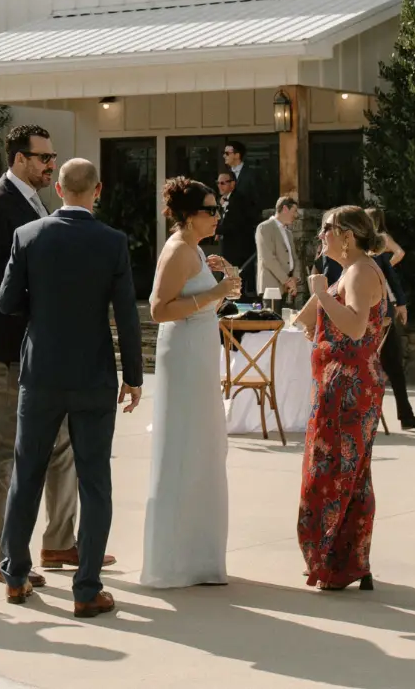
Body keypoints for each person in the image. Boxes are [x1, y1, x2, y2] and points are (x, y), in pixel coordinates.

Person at [0, 157, 142, 618]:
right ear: (97, 191)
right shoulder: (112, 242)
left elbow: (5, 302)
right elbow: (127, 314)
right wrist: (134, 375)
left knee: (27, 474)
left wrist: (43, 308)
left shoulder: (28, 235)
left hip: (41, 372)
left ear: (58, 189)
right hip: (93, 375)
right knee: (95, 481)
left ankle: (15, 576)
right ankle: (87, 589)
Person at [0, 125, 82, 586]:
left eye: (52, 157)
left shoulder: (36, 201)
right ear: (19, 159)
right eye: (44, 157)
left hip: (45, 345)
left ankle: (58, 542)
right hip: (11, 346)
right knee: (6, 450)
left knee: (62, 442)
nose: (52, 164)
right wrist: (48, 305)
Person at [140, 177, 237, 589]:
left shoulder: (196, 249)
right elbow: (158, 309)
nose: (217, 216)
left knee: (204, 447)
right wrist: (215, 292)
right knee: (185, 446)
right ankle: (175, 560)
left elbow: (205, 302)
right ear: (188, 214)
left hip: (199, 352)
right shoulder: (179, 249)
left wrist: (224, 284)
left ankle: (199, 555)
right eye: (210, 210)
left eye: (217, 210)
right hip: (183, 355)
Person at [297, 204, 392, 592]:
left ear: (347, 236)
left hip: (347, 388)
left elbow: (354, 327)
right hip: (344, 383)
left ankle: (335, 565)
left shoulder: (359, 272)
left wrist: (322, 294)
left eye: (327, 229)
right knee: (350, 474)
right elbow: (307, 321)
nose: (321, 236)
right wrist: (320, 303)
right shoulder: (352, 270)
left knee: (333, 473)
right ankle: (350, 562)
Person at [365, 208, 415, 431]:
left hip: (383, 308)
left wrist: (401, 303)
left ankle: (406, 415)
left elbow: (390, 276)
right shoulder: (349, 248)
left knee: (393, 362)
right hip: (361, 311)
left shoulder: (378, 243)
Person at [217, 140, 263, 283]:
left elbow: (257, 201)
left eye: (227, 153)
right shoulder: (226, 175)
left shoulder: (251, 175)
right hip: (229, 234)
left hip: (244, 231)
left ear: (237, 155)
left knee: (243, 270)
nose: (224, 156)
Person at [254, 196, 300, 305]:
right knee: (272, 316)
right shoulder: (264, 227)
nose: (296, 215)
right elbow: (268, 258)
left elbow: (295, 258)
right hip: (271, 288)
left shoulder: (288, 233)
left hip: (288, 289)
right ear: (285, 209)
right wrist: (287, 281)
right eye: (294, 211)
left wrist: (294, 279)